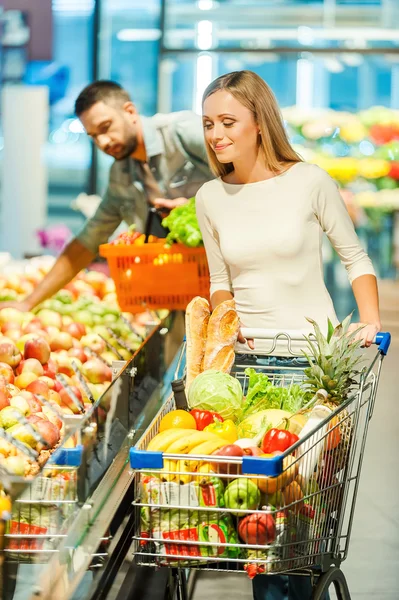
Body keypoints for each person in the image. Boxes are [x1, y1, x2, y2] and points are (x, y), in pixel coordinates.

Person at [195, 70, 381, 600]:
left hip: (310, 364)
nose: (216, 134)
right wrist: (226, 342)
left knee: (302, 512)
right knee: (260, 516)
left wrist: (371, 323)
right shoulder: (210, 196)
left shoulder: (309, 181)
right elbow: (221, 283)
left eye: (228, 121)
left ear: (260, 123)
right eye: (209, 124)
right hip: (250, 368)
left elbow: (355, 257)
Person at [0, 80, 212, 313]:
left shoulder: (183, 132)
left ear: (130, 112)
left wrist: (195, 208)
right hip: (181, 294)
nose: (102, 142)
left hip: (234, 282)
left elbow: (251, 183)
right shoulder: (120, 175)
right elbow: (86, 242)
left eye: (106, 127)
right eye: (93, 136)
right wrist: (28, 303)